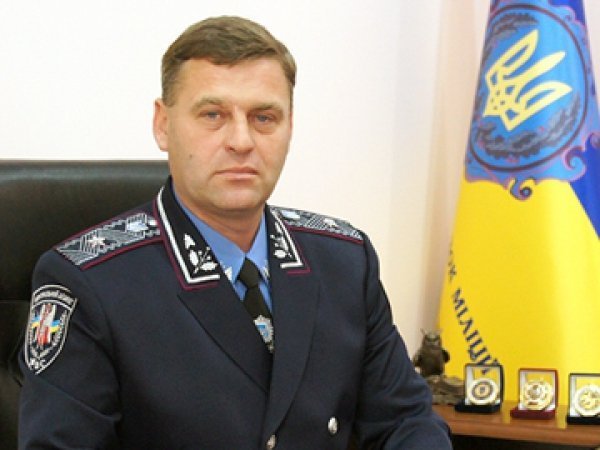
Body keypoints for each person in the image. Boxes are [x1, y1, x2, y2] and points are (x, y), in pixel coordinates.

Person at [18, 16, 452, 449]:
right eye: (213, 115)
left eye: (264, 117)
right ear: (163, 124)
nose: (242, 141)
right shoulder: (89, 282)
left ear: (290, 126)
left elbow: (406, 421)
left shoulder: (344, 261)